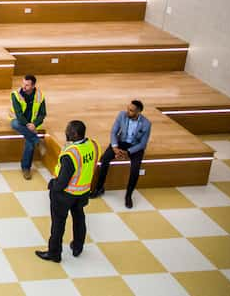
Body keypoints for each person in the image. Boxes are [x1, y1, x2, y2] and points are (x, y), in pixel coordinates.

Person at [35, 120, 100, 263]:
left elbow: (63, 181)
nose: (66, 132)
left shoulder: (71, 154)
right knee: (79, 219)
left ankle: (54, 253)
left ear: (75, 134)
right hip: (83, 191)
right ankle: (77, 247)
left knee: (58, 224)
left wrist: (53, 185)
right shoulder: (93, 145)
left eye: (68, 131)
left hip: (65, 194)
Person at [90, 100, 152, 209]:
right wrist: (114, 147)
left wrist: (128, 152)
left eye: (131, 110)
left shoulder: (146, 124)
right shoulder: (122, 115)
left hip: (135, 147)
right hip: (120, 143)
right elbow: (114, 132)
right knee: (104, 159)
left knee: (135, 169)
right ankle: (99, 188)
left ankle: (128, 195)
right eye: (128, 109)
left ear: (139, 112)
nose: (128, 111)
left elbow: (142, 144)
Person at [9, 74, 47, 179]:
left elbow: (42, 114)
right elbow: (18, 114)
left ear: (33, 86)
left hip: (32, 124)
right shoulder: (16, 95)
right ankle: (37, 141)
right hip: (20, 121)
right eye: (23, 84)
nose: (23, 87)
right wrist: (28, 125)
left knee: (29, 142)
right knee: (14, 124)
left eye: (27, 85)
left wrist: (34, 124)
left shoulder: (40, 96)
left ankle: (26, 168)